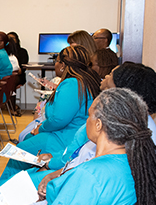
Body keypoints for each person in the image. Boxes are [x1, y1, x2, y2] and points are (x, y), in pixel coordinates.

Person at [28, 62, 156, 194]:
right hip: (69, 170)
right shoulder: (130, 121)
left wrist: (53, 168)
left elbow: (85, 165)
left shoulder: (119, 126)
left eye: (111, 74)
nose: (105, 76)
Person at [0, 45, 101, 190]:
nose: (55, 64)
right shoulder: (83, 80)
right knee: (27, 140)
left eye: (57, 61)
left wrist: (40, 128)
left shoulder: (72, 83)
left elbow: (58, 119)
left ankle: (1, 188)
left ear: (63, 65)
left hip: (63, 137)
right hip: (66, 133)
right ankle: (8, 184)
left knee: (21, 149)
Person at [43, 88, 156, 204]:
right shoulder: (136, 164)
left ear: (98, 124)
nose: (86, 121)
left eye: (89, 115)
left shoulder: (89, 175)